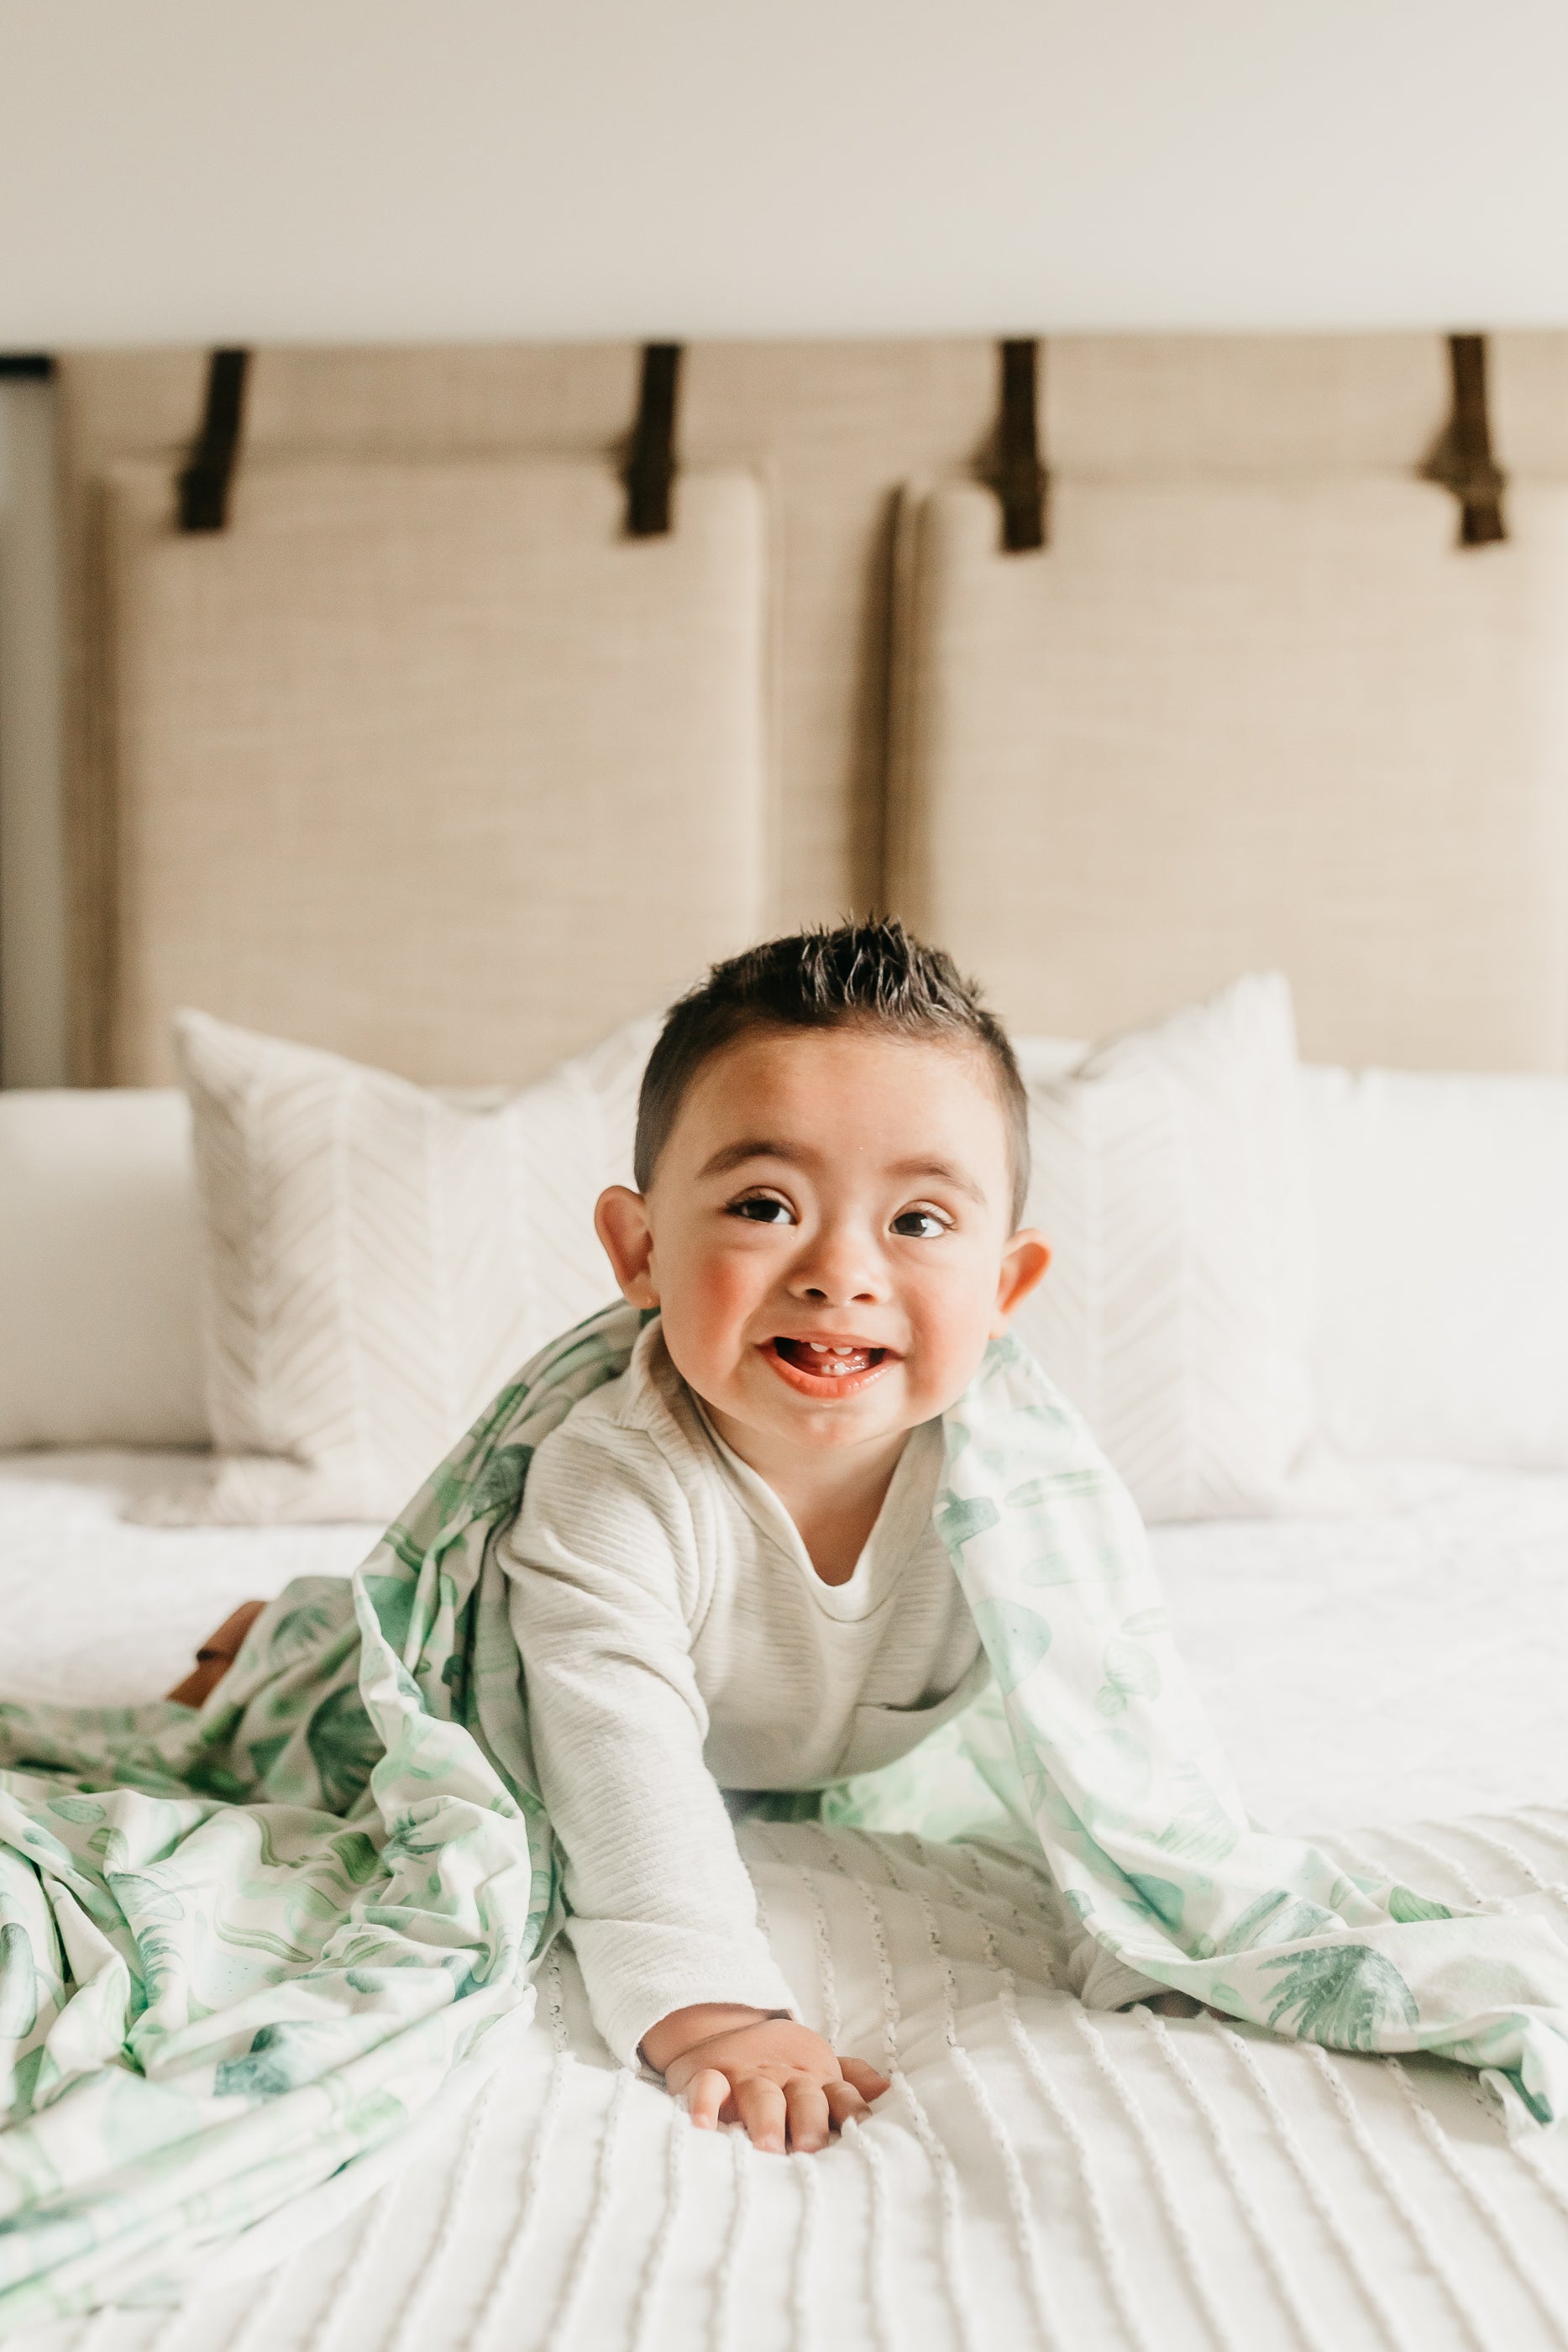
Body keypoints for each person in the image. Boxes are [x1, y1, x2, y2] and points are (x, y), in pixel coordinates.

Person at [501, 920, 1168, 2158]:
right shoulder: (612, 1485)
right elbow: (617, 1760)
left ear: (1005, 1287)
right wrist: (716, 2015)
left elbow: (1126, 1724)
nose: (842, 1272)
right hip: (622, 1694)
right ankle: (284, 1636)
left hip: (825, 1739)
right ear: (641, 1250)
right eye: (766, 1205)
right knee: (345, 1691)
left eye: (919, 1220)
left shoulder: (1029, 1491)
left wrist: (1173, 1920)